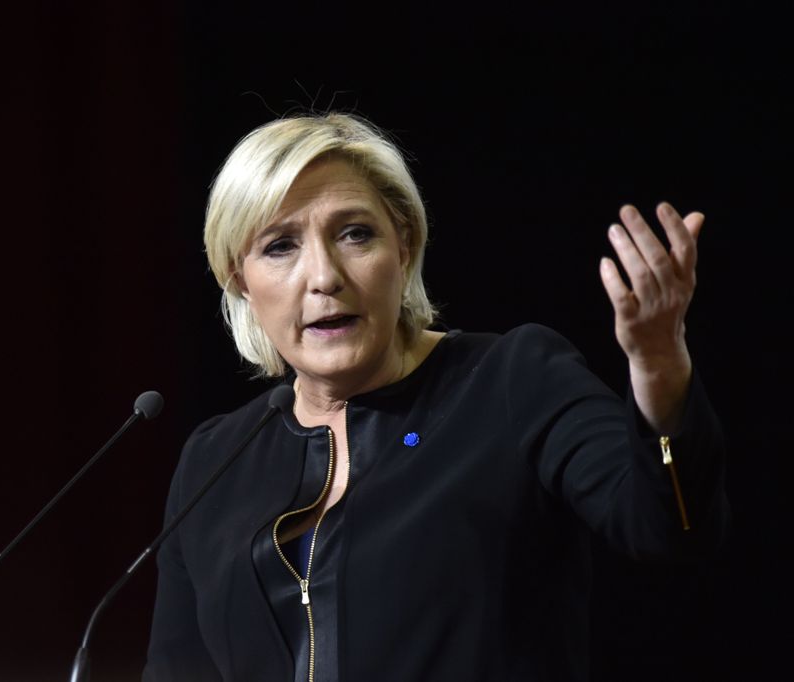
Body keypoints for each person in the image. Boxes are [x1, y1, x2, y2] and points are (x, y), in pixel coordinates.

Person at [141, 112, 730, 681]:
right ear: (239, 279)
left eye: (354, 234)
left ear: (403, 245)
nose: (324, 277)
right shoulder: (216, 462)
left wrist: (659, 371)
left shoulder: (511, 380)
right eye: (280, 246)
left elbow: (671, 527)